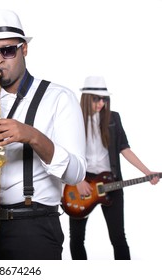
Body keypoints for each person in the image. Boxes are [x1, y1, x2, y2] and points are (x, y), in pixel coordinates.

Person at [0, 9, 87, 260]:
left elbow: (76, 173)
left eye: (8, 50)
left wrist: (33, 136)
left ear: (24, 49)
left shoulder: (59, 98)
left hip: (33, 225)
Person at [68, 76, 160, 260]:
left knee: (118, 237)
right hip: (83, 184)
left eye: (105, 99)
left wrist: (147, 172)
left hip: (111, 184)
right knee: (77, 238)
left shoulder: (113, 118)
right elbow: (66, 154)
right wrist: (77, 181)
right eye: (97, 99)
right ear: (87, 98)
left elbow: (124, 148)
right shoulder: (73, 119)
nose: (102, 103)